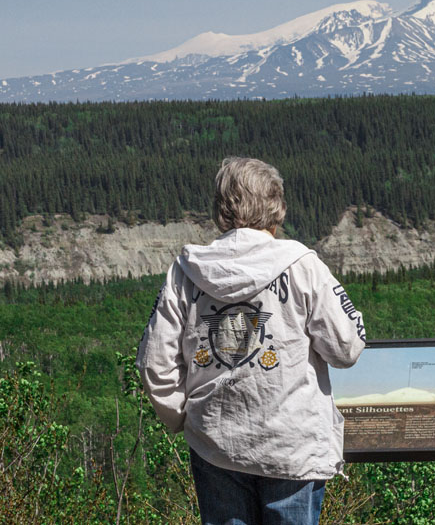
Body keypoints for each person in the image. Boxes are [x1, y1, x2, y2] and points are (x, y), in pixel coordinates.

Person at [136, 156, 366, 525]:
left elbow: (154, 363)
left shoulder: (184, 272)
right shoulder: (303, 265)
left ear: (221, 209)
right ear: (277, 207)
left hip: (216, 443)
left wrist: (184, 418)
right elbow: (346, 348)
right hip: (291, 445)